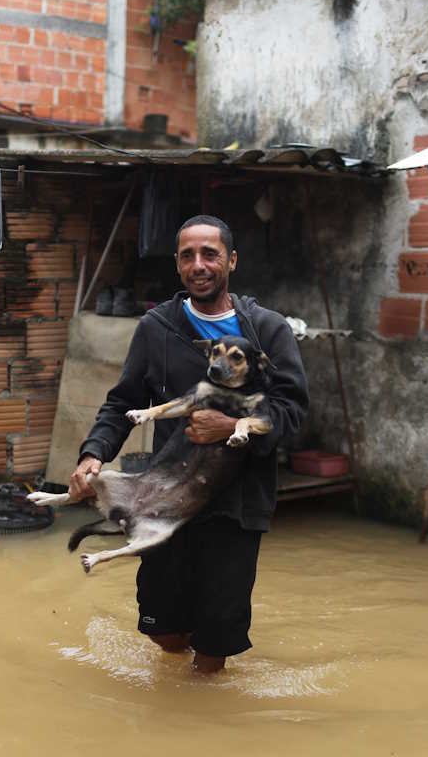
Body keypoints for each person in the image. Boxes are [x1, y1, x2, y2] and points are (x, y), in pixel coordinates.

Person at [69, 214, 309, 674]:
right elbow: (124, 401)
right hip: (167, 495)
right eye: (187, 256)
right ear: (178, 266)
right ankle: (179, 680)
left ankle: (198, 722)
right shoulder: (158, 327)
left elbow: (292, 410)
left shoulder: (268, 331)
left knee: (215, 640)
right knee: (162, 629)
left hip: (236, 505)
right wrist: (93, 453)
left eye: (210, 254)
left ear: (231, 261)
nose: (199, 264)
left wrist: (227, 426)